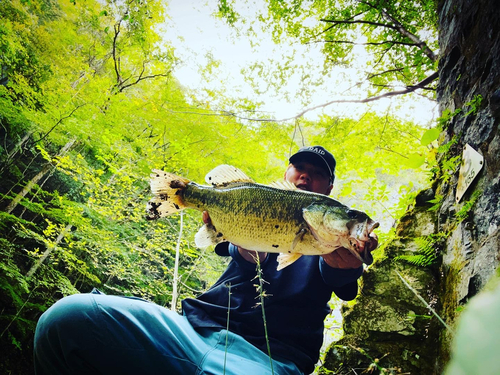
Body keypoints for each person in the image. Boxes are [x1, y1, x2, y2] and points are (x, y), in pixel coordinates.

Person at [33, 146, 378, 375]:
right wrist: (242, 243)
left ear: (329, 188)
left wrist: (346, 263)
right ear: (286, 175)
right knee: (65, 320)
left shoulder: (337, 235)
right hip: (191, 331)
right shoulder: (256, 199)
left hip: (270, 362)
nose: (305, 176)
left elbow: (340, 279)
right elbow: (239, 251)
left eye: (316, 174)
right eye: (298, 168)